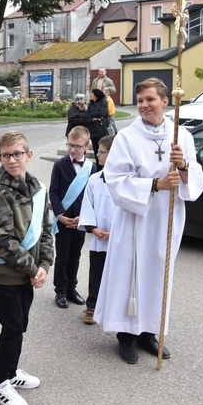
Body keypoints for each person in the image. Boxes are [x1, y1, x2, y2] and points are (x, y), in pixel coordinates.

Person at [94, 78, 203, 364]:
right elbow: (115, 180)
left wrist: (183, 167)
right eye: (140, 100)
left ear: (165, 102)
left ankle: (148, 332)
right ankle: (126, 336)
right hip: (134, 218)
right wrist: (155, 185)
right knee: (129, 273)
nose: (143, 105)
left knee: (158, 273)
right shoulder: (127, 138)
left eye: (150, 99)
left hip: (166, 219)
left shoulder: (183, 136)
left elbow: (197, 182)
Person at [0, 130, 53, 405]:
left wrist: (45, 266)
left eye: (18, 154)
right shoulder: (1, 193)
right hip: (7, 273)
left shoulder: (37, 188)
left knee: (20, 324)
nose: (12, 160)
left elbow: (46, 230)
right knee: (11, 328)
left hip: (30, 271)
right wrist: (34, 269)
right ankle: (0, 384)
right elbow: (3, 242)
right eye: (6, 155)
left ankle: (10, 371)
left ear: (29, 155)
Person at [49, 125, 95, 309]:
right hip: (63, 219)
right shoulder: (59, 165)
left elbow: (92, 195)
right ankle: (60, 290)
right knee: (62, 255)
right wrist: (59, 214)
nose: (73, 149)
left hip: (80, 220)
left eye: (77, 146)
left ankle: (71, 288)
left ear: (87, 146)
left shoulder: (92, 168)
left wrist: (83, 217)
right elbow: (53, 192)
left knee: (75, 255)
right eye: (70, 145)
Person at [78, 134, 115, 325]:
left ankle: (114, 309)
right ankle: (92, 305)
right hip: (99, 238)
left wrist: (115, 232)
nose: (98, 155)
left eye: (101, 151)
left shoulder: (126, 181)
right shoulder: (94, 180)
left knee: (117, 274)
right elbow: (87, 206)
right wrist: (93, 229)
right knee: (97, 272)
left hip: (119, 238)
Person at [87, 89, 109, 160]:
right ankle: (98, 166)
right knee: (95, 149)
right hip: (93, 130)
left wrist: (92, 115)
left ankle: (102, 165)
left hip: (100, 129)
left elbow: (101, 113)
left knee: (102, 149)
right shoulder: (91, 103)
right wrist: (93, 118)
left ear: (96, 95)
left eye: (92, 94)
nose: (90, 95)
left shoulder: (103, 102)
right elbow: (86, 115)